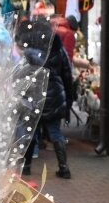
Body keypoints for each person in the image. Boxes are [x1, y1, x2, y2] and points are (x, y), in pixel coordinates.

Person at [20, 19, 73, 179]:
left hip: (35, 94)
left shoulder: (29, 49)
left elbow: (22, 73)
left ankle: (26, 166)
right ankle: (64, 168)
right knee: (56, 132)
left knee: (31, 131)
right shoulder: (58, 47)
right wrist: (69, 97)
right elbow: (67, 73)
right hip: (55, 94)